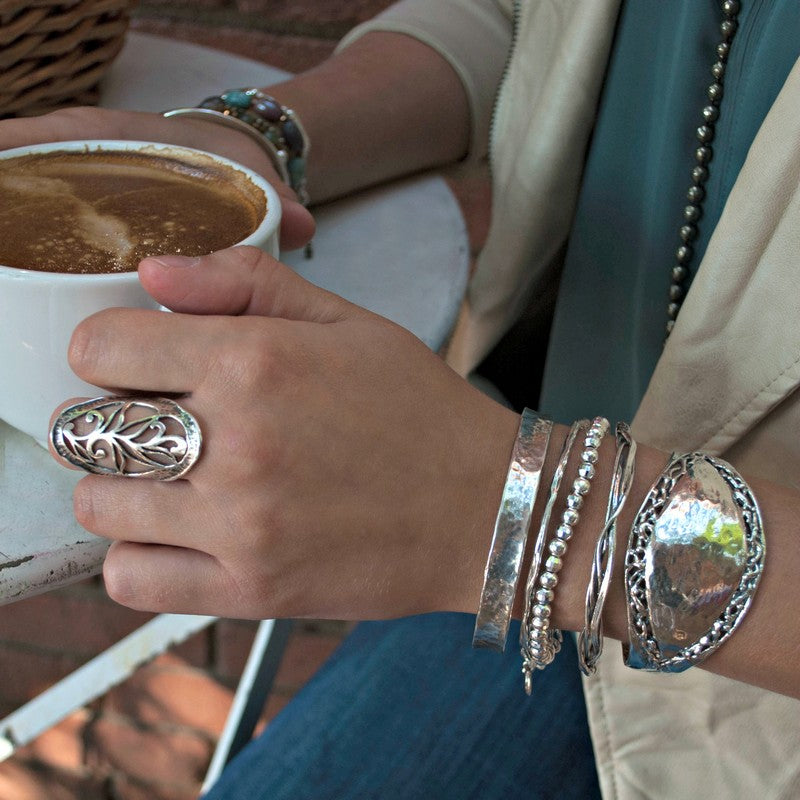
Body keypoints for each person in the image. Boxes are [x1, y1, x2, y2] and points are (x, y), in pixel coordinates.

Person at [2, 0, 799, 797]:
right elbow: (525, 21)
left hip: (738, 693)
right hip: (503, 475)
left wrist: (526, 511)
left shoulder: (493, 511)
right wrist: (262, 136)